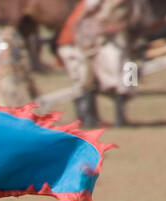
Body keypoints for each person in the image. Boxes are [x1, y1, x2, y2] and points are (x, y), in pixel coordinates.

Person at [57, 0, 144, 128]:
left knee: (124, 74)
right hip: (83, 42)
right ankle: (89, 119)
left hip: (103, 39)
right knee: (88, 81)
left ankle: (103, 118)